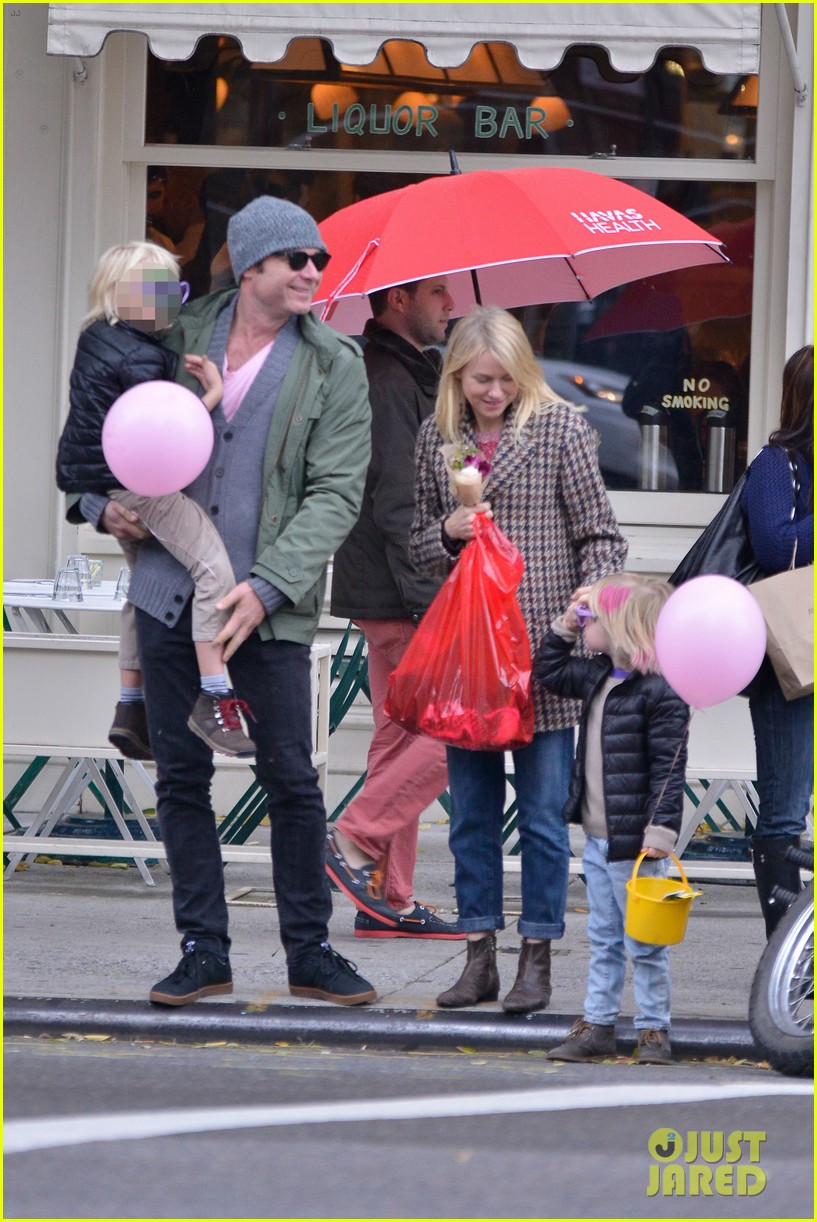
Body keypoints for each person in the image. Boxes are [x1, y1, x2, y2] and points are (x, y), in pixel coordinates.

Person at [70, 196, 377, 1007]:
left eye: (319, 258)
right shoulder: (172, 325)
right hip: (169, 591)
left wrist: (269, 583)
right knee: (180, 777)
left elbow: (337, 493)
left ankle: (309, 953)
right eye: (297, 259)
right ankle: (203, 949)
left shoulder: (335, 361)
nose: (315, 271)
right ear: (251, 269)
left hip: (266, 606)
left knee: (290, 779)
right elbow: (95, 408)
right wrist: (96, 503)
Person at [410, 306, 627, 1012]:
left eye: (505, 378)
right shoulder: (439, 439)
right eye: (479, 380)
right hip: (468, 660)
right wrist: (447, 530)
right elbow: (412, 547)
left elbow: (601, 538)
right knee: (471, 816)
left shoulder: (561, 429)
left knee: (538, 815)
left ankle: (536, 957)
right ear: (456, 377)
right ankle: (479, 958)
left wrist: (583, 606)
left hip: (542, 655)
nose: (493, 392)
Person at [56, 240, 256, 760]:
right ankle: (215, 696)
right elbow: (161, 430)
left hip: (104, 483)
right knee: (214, 566)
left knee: (139, 590)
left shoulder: (97, 340)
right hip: (141, 483)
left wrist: (94, 501)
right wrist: (211, 396)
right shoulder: (138, 354)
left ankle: (129, 706)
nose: (169, 302)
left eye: (174, 289)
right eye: (156, 291)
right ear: (117, 297)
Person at [326, 277, 465, 940]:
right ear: (399, 300)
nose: (452, 305)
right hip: (402, 593)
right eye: (439, 293)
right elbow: (395, 503)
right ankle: (353, 835)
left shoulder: (407, 373)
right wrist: (432, 601)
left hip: (388, 590)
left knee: (400, 744)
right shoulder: (385, 379)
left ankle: (388, 900)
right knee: (464, 722)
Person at [536, 573, 690, 1065]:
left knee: (643, 942)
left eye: (592, 617)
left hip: (639, 845)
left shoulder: (662, 692)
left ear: (622, 628)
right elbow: (549, 670)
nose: (585, 623)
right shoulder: (598, 674)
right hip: (599, 840)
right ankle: (598, 1023)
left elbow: (670, 766)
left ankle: (652, 1029)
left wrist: (661, 832)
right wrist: (563, 625)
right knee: (602, 936)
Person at [742, 344, 814, 936]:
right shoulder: (776, 463)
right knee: (785, 809)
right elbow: (775, 547)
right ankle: (784, 955)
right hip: (790, 659)